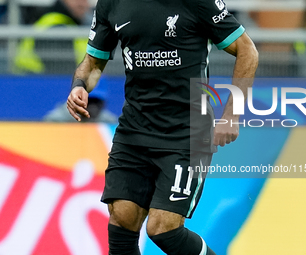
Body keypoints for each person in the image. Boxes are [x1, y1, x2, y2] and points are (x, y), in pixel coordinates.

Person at [67, 0, 258, 254]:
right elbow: (93, 62)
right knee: (122, 218)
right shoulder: (111, 3)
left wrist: (231, 114)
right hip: (134, 131)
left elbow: (247, 51)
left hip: (187, 132)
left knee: (163, 228)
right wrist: (80, 85)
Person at [14, 0, 91, 74]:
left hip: (33, 82)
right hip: (36, 82)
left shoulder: (68, 24)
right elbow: (62, 73)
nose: (84, 4)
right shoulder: (57, 27)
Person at [44, 80, 117, 123]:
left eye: (96, 102)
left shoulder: (109, 123)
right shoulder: (57, 121)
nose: (92, 107)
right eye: (87, 101)